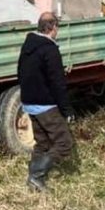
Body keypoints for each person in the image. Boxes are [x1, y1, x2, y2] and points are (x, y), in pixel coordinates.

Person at [18, 12, 76, 192]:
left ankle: (33, 176)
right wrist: (67, 110)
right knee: (64, 143)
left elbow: (19, 72)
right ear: (53, 27)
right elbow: (58, 83)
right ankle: (36, 175)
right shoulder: (49, 50)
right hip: (45, 105)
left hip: (29, 102)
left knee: (42, 143)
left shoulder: (28, 45)